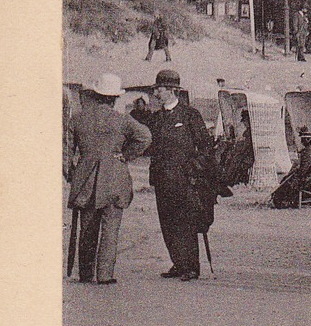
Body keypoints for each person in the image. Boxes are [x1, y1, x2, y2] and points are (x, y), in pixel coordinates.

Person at [66, 73, 152, 283]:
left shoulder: (78, 119)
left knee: (87, 227)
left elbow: (65, 150)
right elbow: (145, 137)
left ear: (95, 94)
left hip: (85, 178)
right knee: (110, 229)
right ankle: (105, 275)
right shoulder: (122, 120)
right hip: (115, 178)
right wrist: (126, 155)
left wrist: (72, 173)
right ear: (115, 98)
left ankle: (85, 273)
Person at [135, 68, 216, 281]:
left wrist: (194, 169)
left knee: (186, 222)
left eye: (159, 89)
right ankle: (178, 263)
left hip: (185, 180)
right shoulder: (157, 117)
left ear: (172, 90)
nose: (156, 93)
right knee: (167, 222)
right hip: (162, 179)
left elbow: (206, 147)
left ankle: (191, 266)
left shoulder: (190, 115)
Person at [271, 127, 311, 208]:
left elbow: (303, 171)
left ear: (308, 140)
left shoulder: (308, 153)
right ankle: (280, 200)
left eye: (303, 139)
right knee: (286, 179)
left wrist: (295, 172)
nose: (302, 141)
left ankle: (284, 202)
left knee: (288, 181)